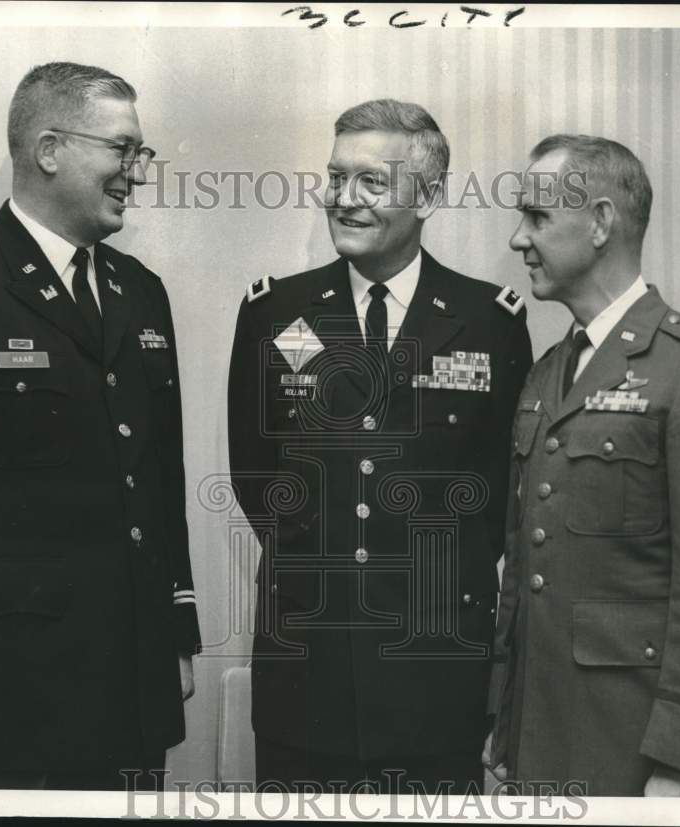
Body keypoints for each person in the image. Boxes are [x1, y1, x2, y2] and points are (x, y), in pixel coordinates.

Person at [0, 62, 200, 790]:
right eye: (122, 149)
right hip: (8, 695)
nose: (136, 172)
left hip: (132, 685)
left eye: (138, 153)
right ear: (50, 148)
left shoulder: (139, 293)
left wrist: (176, 636)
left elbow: (157, 480)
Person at [227, 99, 532, 794]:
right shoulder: (274, 313)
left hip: (435, 674)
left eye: (371, 182)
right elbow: (256, 479)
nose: (344, 198)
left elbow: (496, 505)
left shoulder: (492, 322)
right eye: (336, 178)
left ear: (427, 196)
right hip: (306, 670)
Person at [486, 134, 680, 797]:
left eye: (538, 217)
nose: (519, 240)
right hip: (538, 741)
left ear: (601, 222)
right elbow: (521, 574)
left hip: (637, 755)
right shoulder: (548, 372)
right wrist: (501, 720)